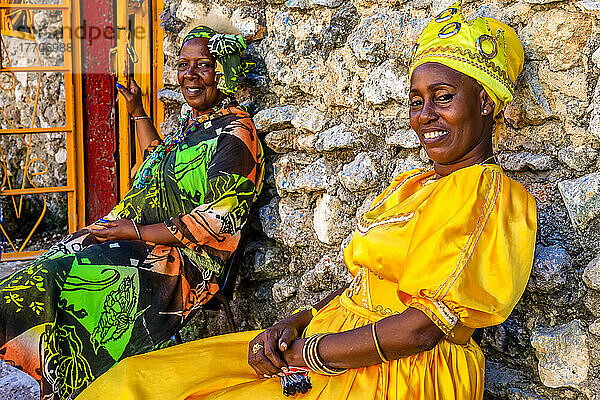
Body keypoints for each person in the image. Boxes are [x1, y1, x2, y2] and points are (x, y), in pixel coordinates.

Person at [77, 3, 536, 399]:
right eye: (416, 101)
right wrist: (296, 320)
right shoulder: (415, 185)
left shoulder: (486, 194)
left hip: (400, 373)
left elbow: (422, 328)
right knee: (143, 380)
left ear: (486, 103)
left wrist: (310, 353)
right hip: (336, 340)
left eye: (443, 97)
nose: (425, 116)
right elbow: (367, 286)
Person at [0, 25, 263, 400]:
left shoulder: (234, 134)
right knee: (38, 276)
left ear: (223, 71)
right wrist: (137, 111)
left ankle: (86, 384)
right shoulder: (194, 123)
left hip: (180, 262)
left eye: (203, 65)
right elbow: (160, 162)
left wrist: (134, 232)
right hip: (139, 239)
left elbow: (219, 219)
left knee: (58, 281)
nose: (190, 74)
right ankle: (65, 381)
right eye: (184, 64)